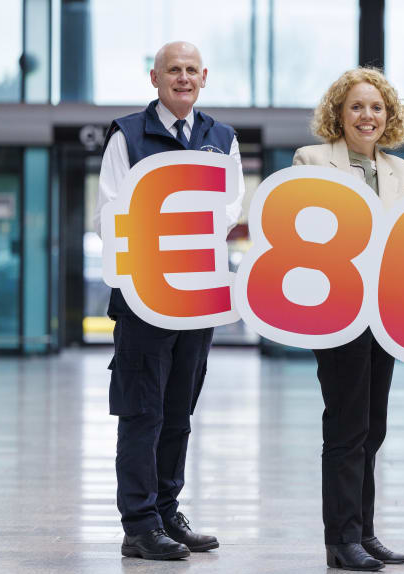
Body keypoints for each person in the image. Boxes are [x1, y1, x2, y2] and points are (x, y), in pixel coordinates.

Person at [94, 41, 245, 561]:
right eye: (172, 71)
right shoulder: (128, 136)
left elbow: (229, 209)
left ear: (204, 77)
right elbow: (110, 213)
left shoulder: (220, 138)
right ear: (154, 78)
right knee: (143, 410)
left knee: (179, 408)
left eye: (190, 71)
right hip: (142, 298)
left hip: (197, 296)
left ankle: (166, 510)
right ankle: (138, 524)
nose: (182, 78)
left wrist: (188, 238)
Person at [292, 67, 404, 572]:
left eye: (376, 107)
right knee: (345, 427)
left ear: (389, 117)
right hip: (339, 310)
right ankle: (341, 540)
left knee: (373, 426)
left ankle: (363, 530)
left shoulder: (400, 171)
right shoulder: (313, 159)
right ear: (338, 114)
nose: (368, 116)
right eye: (357, 107)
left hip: (382, 312)